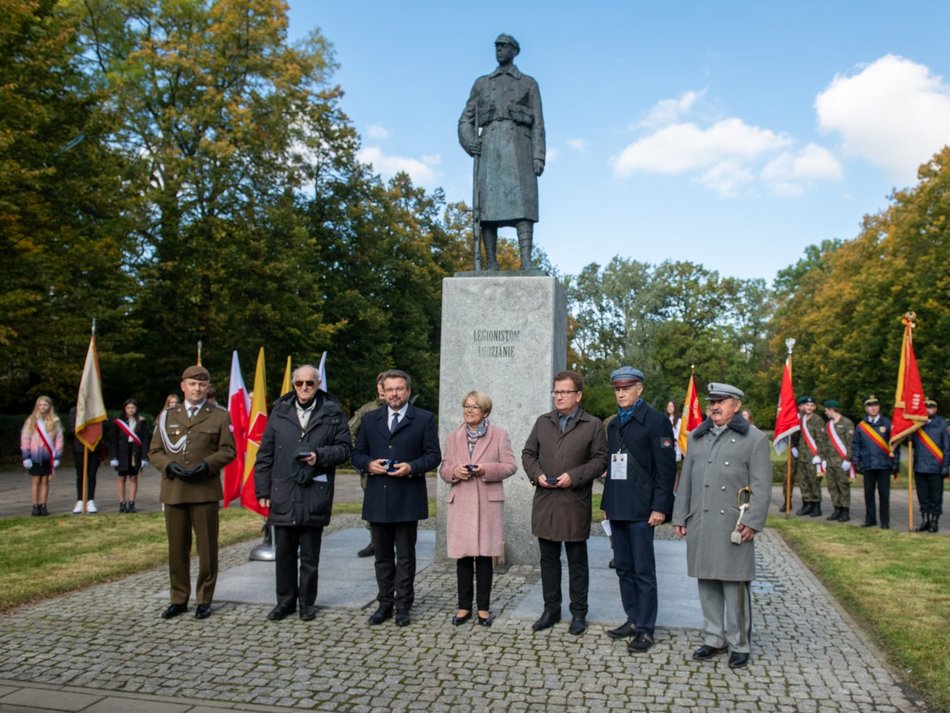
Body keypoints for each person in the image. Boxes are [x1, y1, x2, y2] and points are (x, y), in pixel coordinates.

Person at [672, 383, 771, 669]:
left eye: (721, 401)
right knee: (707, 581)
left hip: (734, 524)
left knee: (734, 583)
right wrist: (680, 516)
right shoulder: (698, 436)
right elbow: (686, 479)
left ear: (736, 405)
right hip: (702, 520)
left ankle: (739, 642)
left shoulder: (753, 439)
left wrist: (752, 521)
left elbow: (763, 486)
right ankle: (714, 637)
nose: (714, 406)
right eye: (711, 401)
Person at [255, 364, 352, 621]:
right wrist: (262, 489)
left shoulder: (332, 412)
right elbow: (265, 453)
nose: (305, 388)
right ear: (294, 385)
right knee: (284, 553)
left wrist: (319, 456)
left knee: (310, 555)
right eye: (300, 383)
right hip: (283, 490)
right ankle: (284, 602)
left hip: (314, 491)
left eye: (310, 383)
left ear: (318, 384)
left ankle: (307, 603)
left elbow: (344, 449)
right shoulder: (280, 411)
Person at [352, 369, 441, 627]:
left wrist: (411, 467)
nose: (394, 394)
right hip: (378, 496)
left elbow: (434, 456)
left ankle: (403, 605)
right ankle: (384, 604)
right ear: (383, 392)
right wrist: (369, 464)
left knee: (405, 556)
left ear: (408, 391)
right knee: (381, 556)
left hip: (407, 497)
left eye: (399, 389)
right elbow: (357, 454)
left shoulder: (423, 419)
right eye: (389, 389)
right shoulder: (370, 420)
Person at [522, 370, 608, 636]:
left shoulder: (592, 425)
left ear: (578, 395)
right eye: (556, 392)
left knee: (576, 561)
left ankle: (578, 613)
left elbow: (600, 460)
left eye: (564, 392)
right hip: (546, 501)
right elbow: (528, 454)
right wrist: (537, 475)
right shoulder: (543, 422)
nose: (558, 397)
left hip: (574, 502)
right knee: (548, 560)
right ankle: (551, 609)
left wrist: (575, 476)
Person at [148, 365, 236, 620]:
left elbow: (228, 450)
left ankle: (204, 598)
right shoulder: (167, 416)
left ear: (207, 388)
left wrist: (207, 465)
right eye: (192, 384)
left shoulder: (219, 416)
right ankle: (178, 598)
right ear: (183, 386)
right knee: (177, 549)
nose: (197, 388)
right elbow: (154, 451)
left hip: (204, 490)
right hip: (174, 490)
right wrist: (169, 466)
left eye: (202, 384)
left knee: (207, 548)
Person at [602, 367, 676, 653]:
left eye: (627, 388)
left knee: (643, 570)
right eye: (617, 388)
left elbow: (665, 469)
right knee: (623, 568)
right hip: (618, 505)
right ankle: (632, 618)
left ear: (639, 390)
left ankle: (645, 628)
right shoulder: (612, 424)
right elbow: (612, 465)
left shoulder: (656, 421)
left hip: (643, 509)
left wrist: (660, 506)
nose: (621, 393)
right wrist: (607, 504)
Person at [458, 33, 545, 271]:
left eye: (504, 46)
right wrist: (469, 142)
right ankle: (491, 262)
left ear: (515, 51)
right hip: (491, 150)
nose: (499, 50)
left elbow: (538, 123)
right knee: (486, 208)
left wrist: (538, 156)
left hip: (519, 149)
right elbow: (465, 120)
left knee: (523, 205)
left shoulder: (528, 83)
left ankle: (526, 260)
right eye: (497, 46)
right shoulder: (482, 84)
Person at [439, 390, 517, 627]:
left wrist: (484, 469)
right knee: (462, 558)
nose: (469, 410)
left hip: (487, 503)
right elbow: (443, 469)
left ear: (485, 411)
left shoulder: (499, 435)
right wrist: (454, 472)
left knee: (484, 558)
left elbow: (510, 466)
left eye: (475, 406)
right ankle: (463, 607)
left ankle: (483, 608)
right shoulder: (454, 437)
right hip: (461, 502)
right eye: (466, 405)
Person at [347, 372, 386, 558]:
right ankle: (375, 542)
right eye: (380, 384)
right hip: (371, 467)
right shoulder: (367, 409)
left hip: (396, 466)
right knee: (372, 505)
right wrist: (360, 457)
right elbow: (349, 431)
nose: (382, 388)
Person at [851, 394, 898, 529]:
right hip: (868, 464)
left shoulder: (887, 424)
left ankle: (885, 521)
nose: (873, 408)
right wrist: (857, 462)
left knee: (884, 495)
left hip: (884, 465)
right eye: (870, 406)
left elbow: (895, 445)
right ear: (866, 408)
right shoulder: (861, 426)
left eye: (875, 405)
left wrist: (895, 462)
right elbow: (856, 445)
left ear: (879, 407)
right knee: (868, 495)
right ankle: (870, 519)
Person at [20, 396, 64, 516]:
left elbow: (59, 440)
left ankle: (43, 505)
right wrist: (26, 457)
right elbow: (25, 439)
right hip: (34, 456)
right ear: (36, 406)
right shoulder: (31, 420)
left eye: (45, 405)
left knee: (45, 482)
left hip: (47, 456)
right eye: (40, 405)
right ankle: (35, 506)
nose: (42, 407)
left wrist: (57, 457)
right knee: (35, 482)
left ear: (49, 406)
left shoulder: (55, 420)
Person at [912, 399, 949, 533]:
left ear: (936, 409)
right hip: (920, 467)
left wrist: (946, 465)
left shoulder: (943, 424)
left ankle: (934, 521)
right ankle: (925, 520)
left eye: (931, 407)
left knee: (935, 497)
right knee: (923, 496)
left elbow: (947, 448)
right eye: (926, 407)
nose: (928, 409)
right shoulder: (916, 424)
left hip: (936, 467)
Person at [110, 398, 151, 513]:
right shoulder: (118, 422)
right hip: (122, 453)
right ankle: (122, 503)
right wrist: (114, 456)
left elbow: (145, 440)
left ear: (136, 408)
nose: (130, 410)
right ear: (125, 409)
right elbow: (113, 440)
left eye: (133, 407)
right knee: (121, 478)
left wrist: (144, 457)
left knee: (133, 478)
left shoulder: (141, 422)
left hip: (135, 452)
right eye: (128, 408)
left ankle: (132, 503)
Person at [819, 400, 854, 522]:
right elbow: (824, 443)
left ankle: (845, 511)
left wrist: (848, 459)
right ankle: (836, 509)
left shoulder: (846, 423)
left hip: (841, 461)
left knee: (843, 486)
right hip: (830, 462)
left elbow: (850, 443)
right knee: (832, 486)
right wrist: (822, 459)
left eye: (826, 409)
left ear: (832, 409)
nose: (825, 412)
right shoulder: (828, 425)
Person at [68, 405, 102, 514]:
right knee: (80, 475)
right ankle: (80, 500)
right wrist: (85, 435)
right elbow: (72, 428)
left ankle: (91, 500)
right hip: (80, 447)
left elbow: (102, 427)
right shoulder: (74, 411)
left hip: (94, 447)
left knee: (92, 475)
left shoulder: (97, 409)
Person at [795, 396, 825, 517]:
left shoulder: (818, 420)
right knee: (803, 481)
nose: (809, 407)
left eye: (812, 406)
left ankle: (816, 506)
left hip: (813, 457)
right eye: (807, 405)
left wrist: (819, 455)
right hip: (802, 456)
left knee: (814, 482)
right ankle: (806, 504)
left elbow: (821, 440)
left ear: (815, 407)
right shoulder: (801, 419)